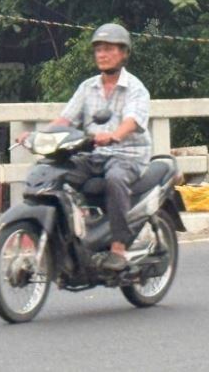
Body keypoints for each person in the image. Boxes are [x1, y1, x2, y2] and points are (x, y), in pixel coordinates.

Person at [50, 23, 152, 271]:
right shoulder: (88, 87)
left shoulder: (135, 88)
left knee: (115, 179)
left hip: (127, 155)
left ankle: (118, 247)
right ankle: (73, 233)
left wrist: (114, 135)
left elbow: (132, 121)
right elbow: (66, 120)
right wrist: (38, 135)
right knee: (57, 173)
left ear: (124, 53)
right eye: (98, 50)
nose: (102, 55)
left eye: (109, 49)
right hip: (95, 154)